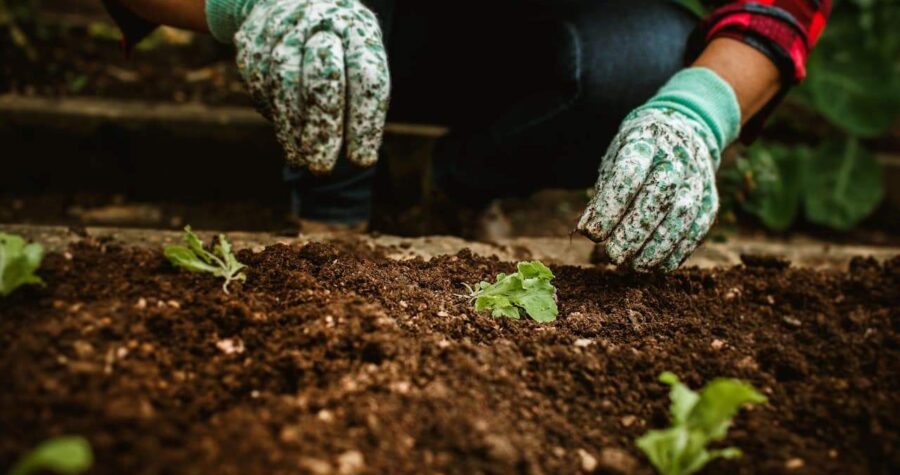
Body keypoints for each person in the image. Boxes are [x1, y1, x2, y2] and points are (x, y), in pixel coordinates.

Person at [101, 0, 831, 271]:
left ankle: (452, 183)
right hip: (358, 19)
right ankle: (328, 213)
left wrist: (700, 109)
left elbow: (781, 5)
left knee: (649, 60)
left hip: (551, 37)